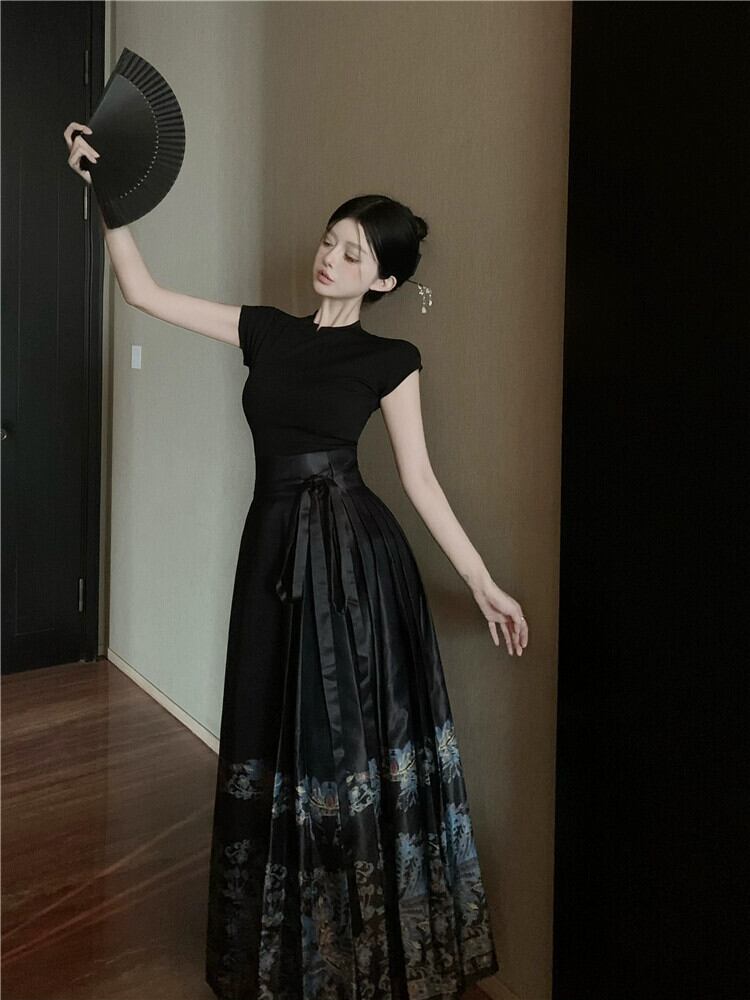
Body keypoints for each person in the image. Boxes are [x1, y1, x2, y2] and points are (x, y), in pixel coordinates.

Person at [66, 122, 529, 1000]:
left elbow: (420, 481)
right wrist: (106, 189)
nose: (330, 258)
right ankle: (291, 947)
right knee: (275, 723)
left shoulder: (391, 359)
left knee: (346, 742)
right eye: (329, 240)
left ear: (383, 280)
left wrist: (482, 582)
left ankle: (365, 948)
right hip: (274, 547)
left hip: (356, 559)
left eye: (354, 254)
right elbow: (142, 292)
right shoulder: (268, 331)